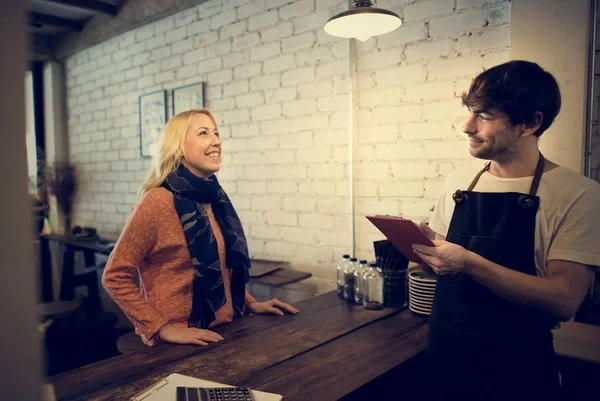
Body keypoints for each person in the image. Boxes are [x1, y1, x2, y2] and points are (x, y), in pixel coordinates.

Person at [412, 61, 600, 401]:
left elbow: (564, 300)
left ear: (530, 122)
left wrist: (470, 262)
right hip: (443, 363)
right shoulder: (458, 182)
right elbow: (441, 267)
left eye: (484, 116)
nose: (467, 127)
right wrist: (420, 251)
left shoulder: (579, 195)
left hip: (515, 377)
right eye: (470, 112)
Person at [102, 109, 299, 347]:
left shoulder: (214, 198)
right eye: (203, 133)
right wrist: (162, 329)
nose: (216, 141)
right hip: (178, 343)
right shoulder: (157, 201)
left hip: (223, 331)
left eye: (216, 133)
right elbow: (114, 276)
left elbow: (221, 268)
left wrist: (249, 303)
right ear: (178, 147)